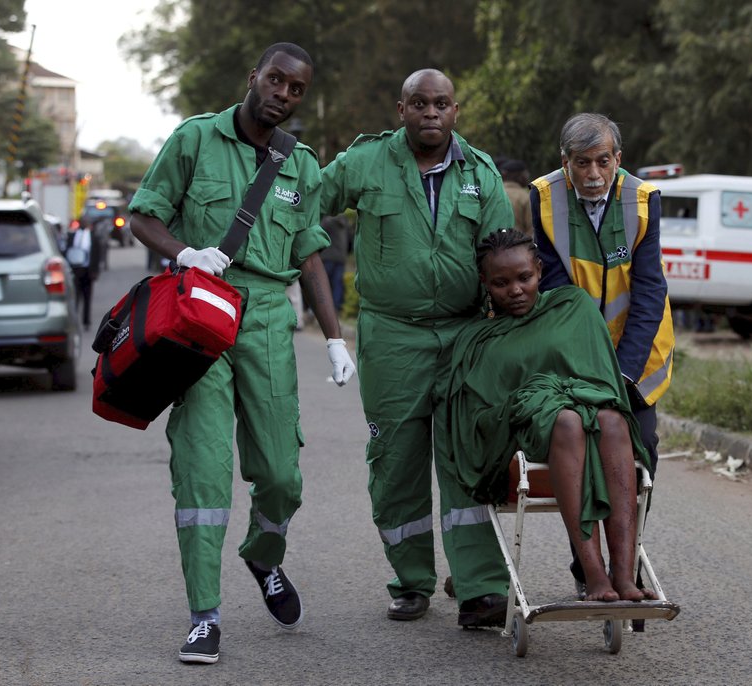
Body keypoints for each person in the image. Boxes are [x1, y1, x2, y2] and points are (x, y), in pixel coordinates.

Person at [128, 42, 356, 665]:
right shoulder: (195, 140)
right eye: (275, 80)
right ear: (254, 76)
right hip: (199, 314)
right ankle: (205, 614)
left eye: (296, 88)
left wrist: (334, 336)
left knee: (281, 474)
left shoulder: (302, 166)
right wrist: (182, 253)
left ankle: (264, 554)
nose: (283, 93)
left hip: (265, 321)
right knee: (203, 473)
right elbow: (141, 216)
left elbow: (309, 252)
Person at [320, 68, 514, 627]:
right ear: (400, 110)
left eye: (442, 104)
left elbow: (504, 261)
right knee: (397, 461)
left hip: (464, 337)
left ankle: (480, 588)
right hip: (391, 336)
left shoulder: (481, 173)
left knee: (467, 459)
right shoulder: (367, 162)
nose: (431, 113)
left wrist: (503, 340)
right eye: (420, 103)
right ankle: (410, 582)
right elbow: (306, 203)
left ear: (456, 112)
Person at [445, 229, 657, 601]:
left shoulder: (572, 305)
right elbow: (479, 419)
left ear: (540, 271)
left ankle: (624, 575)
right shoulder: (479, 338)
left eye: (524, 277)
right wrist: (539, 400)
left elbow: (603, 381)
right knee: (567, 421)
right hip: (522, 438)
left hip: (587, 418)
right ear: (484, 283)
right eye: (501, 282)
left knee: (612, 419)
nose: (515, 290)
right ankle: (594, 576)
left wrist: (564, 397)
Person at [530, 112, 674, 593]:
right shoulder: (544, 197)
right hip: (574, 354)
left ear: (619, 159)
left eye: (603, 162)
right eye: (582, 163)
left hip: (636, 358)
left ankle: (625, 562)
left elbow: (650, 292)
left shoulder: (644, 201)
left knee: (643, 452)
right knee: (579, 455)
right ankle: (587, 567)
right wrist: (587, 368)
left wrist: (625, 374)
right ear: (565, 161)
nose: (593, 175)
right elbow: (553, 290)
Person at [63, 217, 101, 330]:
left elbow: (96, 255)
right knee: (75, 297)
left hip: (87, 271)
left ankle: (86, 321)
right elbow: (67, 251)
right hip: (75, 270)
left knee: (87, 297)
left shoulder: (93, 237)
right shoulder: (72, 236)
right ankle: (73, 321)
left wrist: (95, 271)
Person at [319, 213, 351, 313]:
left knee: (322, 284)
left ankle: (318, 310)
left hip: (327, 256)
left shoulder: (327, 221)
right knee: (337, 284)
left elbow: (317, 236)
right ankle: (335, 309)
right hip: (341, 258)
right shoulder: (345, 222)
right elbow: (350, 241)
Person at [500, 159, 532, 236]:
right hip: (518, 245)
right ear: (519, 176)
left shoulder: (491, 193)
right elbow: (532, 229)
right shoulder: (525, 197)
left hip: (492, 245)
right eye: (525, 174)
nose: (528, 176)